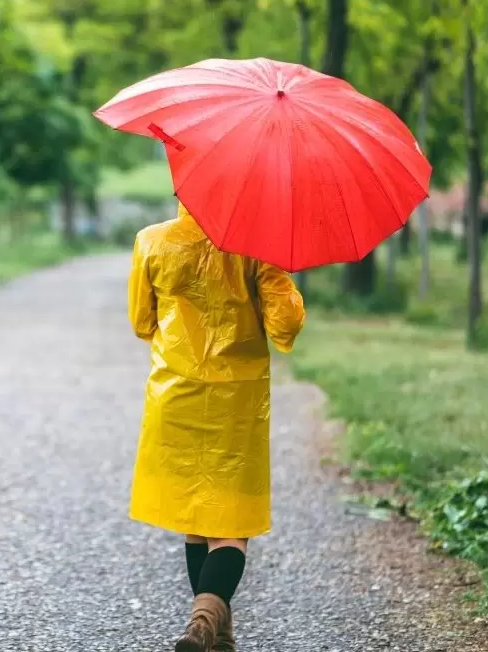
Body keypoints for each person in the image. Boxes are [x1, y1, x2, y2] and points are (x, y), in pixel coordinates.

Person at [127, 203, 305, 652]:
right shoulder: (256, 249)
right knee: (230, 522)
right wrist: (276, 270)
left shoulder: (152, 240)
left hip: (176, 393)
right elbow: (285, 326)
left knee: (194, 517)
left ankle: (216, 632)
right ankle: (203, 619)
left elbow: (142, 322)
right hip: (236, 401)